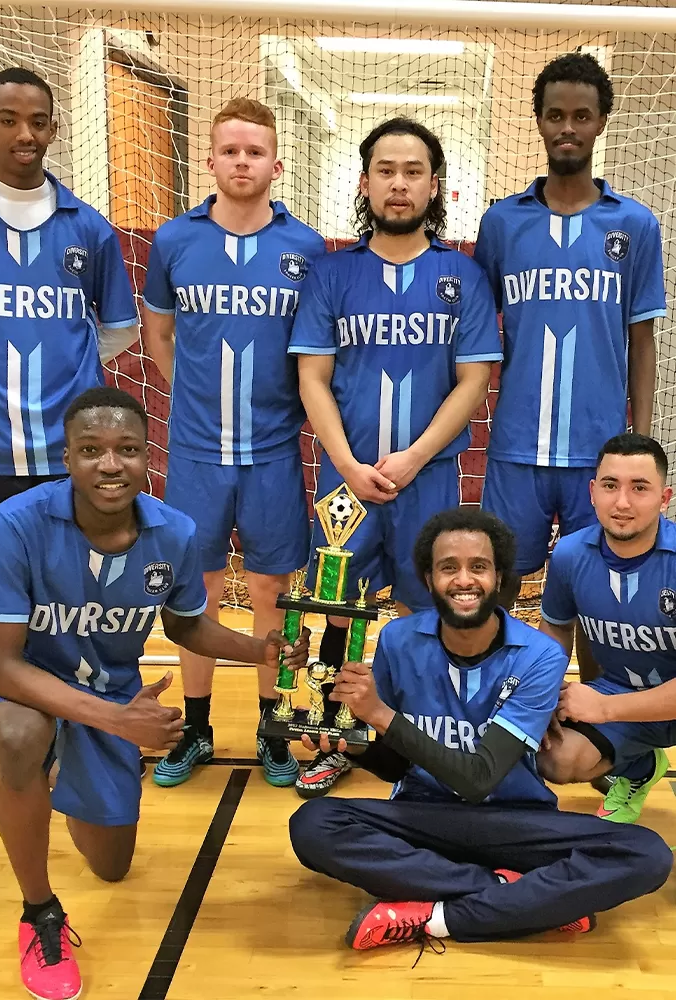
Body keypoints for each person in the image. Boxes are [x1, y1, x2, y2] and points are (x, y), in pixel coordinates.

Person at [0, 386, 309, 1000]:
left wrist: (257, 649)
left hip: (111, 688)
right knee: (21, 736)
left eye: (126, 449)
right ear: (68, 457)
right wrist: (114, 720)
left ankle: (29, 779)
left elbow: (184, 624)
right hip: (29, 683)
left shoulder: (173, 532)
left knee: (112, 867)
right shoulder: (14, 525)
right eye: (91, 450)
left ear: (146, 454)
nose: (110, 464)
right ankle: (39, 914)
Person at [289, 508, 672, 954]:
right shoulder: (398, 640)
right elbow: (398, 765)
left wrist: (379, 715)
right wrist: (353, 748)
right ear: (428, 579)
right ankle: (522, 897)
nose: (464, 580)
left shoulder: (540, 656)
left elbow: (477, 779)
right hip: (423, 815)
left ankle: (435, 915)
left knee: (646, 854)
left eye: (479, 567)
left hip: (517, 822)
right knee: (313, 824)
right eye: (448, 567)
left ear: (500, 577)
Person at [288, 118, 502, 796]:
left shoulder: (462, 276)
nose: (400, 183)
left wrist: (411, 458)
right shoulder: (330, 274)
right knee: (334, 612)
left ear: (435, 184)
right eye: (387, 169)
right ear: (365, 181)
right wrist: (350, 465)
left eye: (414, 171)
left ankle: (422, 747)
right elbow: (312, 379)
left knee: (429, 616)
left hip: (430, 481)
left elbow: (473, 382)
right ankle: (325, 736)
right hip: (346, 485)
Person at [143, 98, 325, 789]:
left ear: (277, 163)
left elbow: (313, 354)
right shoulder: (173, 241)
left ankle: (273, 726)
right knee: (198, 594)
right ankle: (195, 727)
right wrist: (190, 399)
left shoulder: (305, 248)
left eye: (255, 151)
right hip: (195, 454)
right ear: (211, 159)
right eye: (230, 150)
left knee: (274, 593)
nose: (242, 161)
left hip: (275, 451)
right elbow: (159, 335)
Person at [0, 66, 138, 780]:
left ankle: (89, 730)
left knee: (73, 602)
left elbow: (118, 332)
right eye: (8, 120)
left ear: (53, 128)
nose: (24, 134)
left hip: (62, 458)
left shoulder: (89, 229)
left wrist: (62, 381)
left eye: (37, 121)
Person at [475, 53, 666, 632]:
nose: (567, 127)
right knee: (497, 582)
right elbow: (478, 336)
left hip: (597, 449)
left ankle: (592, 717)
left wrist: (639, 438)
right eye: (555, 115)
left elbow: (642, 338)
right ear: (538, 121)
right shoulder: (502, 222)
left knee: (596, 591)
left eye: (582, 116)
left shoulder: (633, 225)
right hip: (515, 446)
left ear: (601, 122)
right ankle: (489, 700)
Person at [537, 433, 676, 824]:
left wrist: (606, 708)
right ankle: (639, 769)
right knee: (554, 756)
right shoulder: (569, 554)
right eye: (611, 486)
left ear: (663, 499)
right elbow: (556, 628)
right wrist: (544, 695)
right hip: (622, 692)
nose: (623, 502)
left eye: (640, 488)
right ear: (593, 492)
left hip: (648, 699)